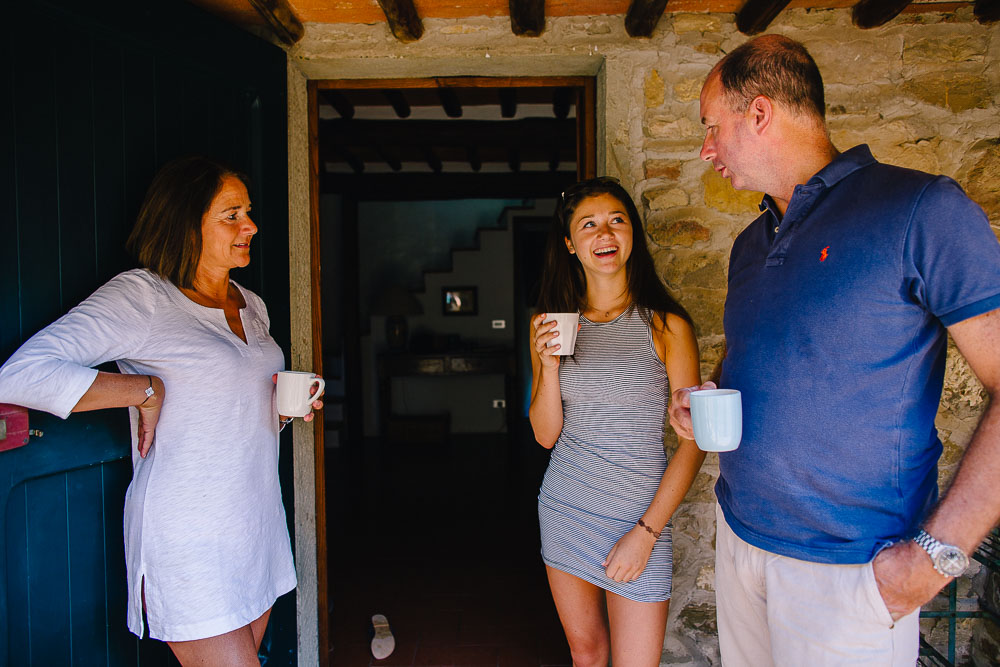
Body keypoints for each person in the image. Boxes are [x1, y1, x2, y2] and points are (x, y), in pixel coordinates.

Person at [668, 34, 1000, 666]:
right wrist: (702, 398)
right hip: (741, 543)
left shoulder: (919, 208)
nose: (705, 148)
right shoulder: (748, 244)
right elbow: (753, 364)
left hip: (850, 572)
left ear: (759, 112)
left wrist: (934, 558)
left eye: (712, 127)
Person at [0, 156, 322, 664]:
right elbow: (20, 375)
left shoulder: (251, 303)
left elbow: (224, 404)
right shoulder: (144, 297)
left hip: (255, 524)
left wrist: (282, 410)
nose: (251, 226)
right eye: (232, 214)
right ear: (184, 222)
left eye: (249, 212)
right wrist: (143, 389)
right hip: (189, 534)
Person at [530, 177, 705, 666]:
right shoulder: (548, 324)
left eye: (616, 221)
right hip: (567, 506)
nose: (603, 233)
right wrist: (547, 367)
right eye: (588, 225)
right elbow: (546, 435)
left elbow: (695, 443)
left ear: (631, 235)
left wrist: (647, 533)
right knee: (586, 654)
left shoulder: (668, 326)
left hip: (639, 516)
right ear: (570, 243)